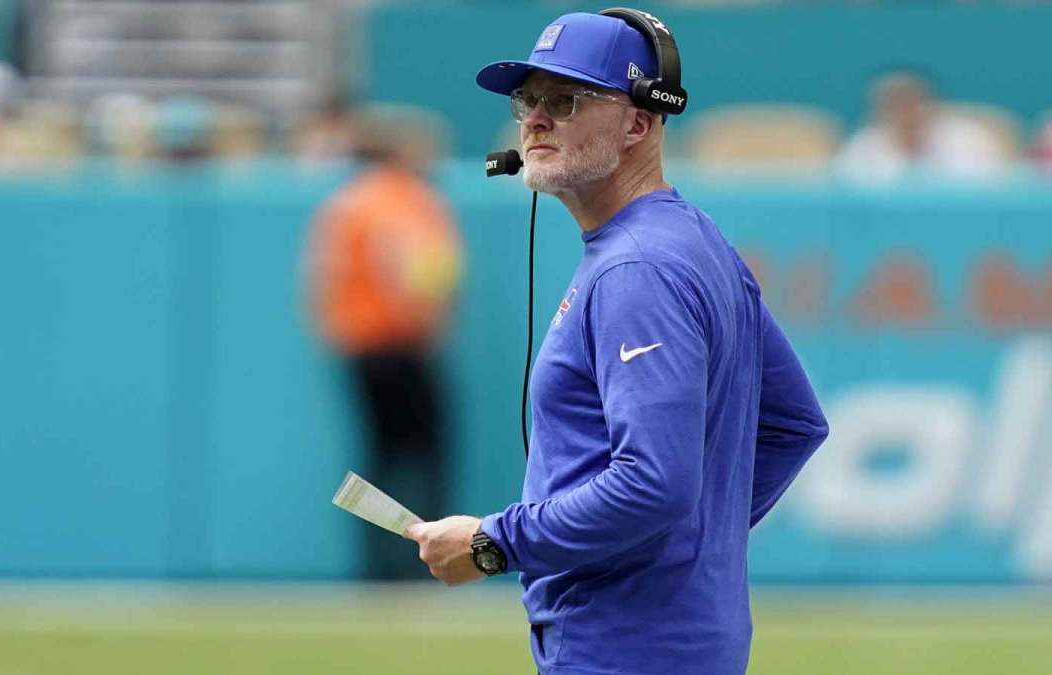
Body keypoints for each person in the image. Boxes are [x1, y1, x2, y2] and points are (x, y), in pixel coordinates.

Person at [401, 11, 829, 675]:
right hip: (678, 643)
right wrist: (683, 552)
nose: (535, 120)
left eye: (565, 100)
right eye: (528, 100)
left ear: (638, 123)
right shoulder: (691, 241)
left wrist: (493, 542)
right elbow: (795, 424)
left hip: (623, 649)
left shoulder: (637, 268)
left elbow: (655, 482)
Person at [306, 105, 462, 580]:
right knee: (424, 454)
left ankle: (376, 565)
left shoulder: (347, 201)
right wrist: (430, 319)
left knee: (378, 457)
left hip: (359, 346)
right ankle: (425, 561)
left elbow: (318, 278)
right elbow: (415, 267)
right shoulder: (404, 199)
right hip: (400, 343)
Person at [834, 69, 1008, 181]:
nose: (905, 113)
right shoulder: (863, 147)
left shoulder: (970, 140)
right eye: (894, 105)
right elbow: (845, 194)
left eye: (911, 104)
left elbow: (994, 190)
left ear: (932, 103)